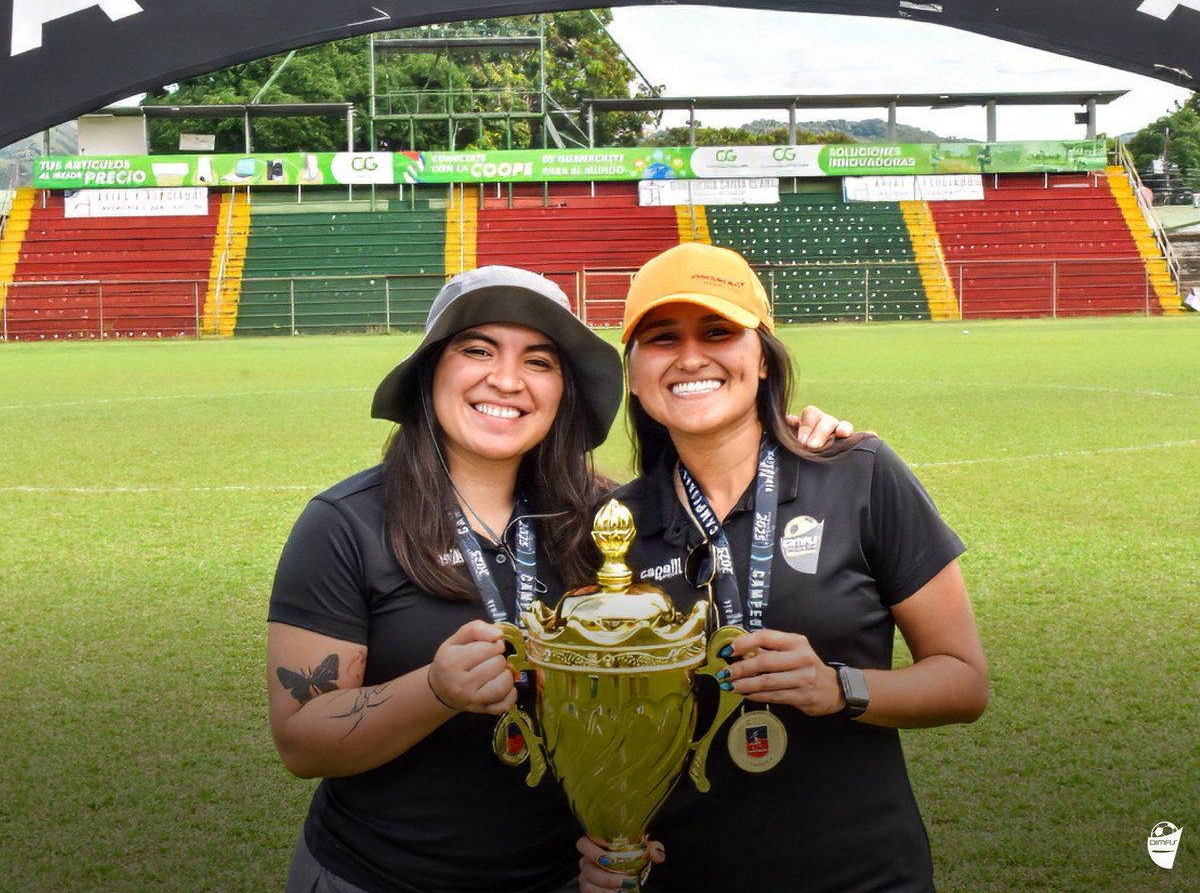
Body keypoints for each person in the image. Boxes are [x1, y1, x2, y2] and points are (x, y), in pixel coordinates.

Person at [268, 263, 852, 893]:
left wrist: (794, 444)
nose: (507, 379)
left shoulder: (610, 522)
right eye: (477, 349)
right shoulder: (344, 524)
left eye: (540, 361)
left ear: (563, 391)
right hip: (377, 878)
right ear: (430, 370)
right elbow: (303, 742)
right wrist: (435, 690)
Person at [579, 243, 989, 893]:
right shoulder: (611, 529)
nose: (690, 356)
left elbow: (965, 684)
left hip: (863, 876)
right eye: (662, 338)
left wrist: (839, 687)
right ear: (633, 373)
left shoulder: (859, 473)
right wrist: (606, 837)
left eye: (719, 331)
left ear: (764, 358)